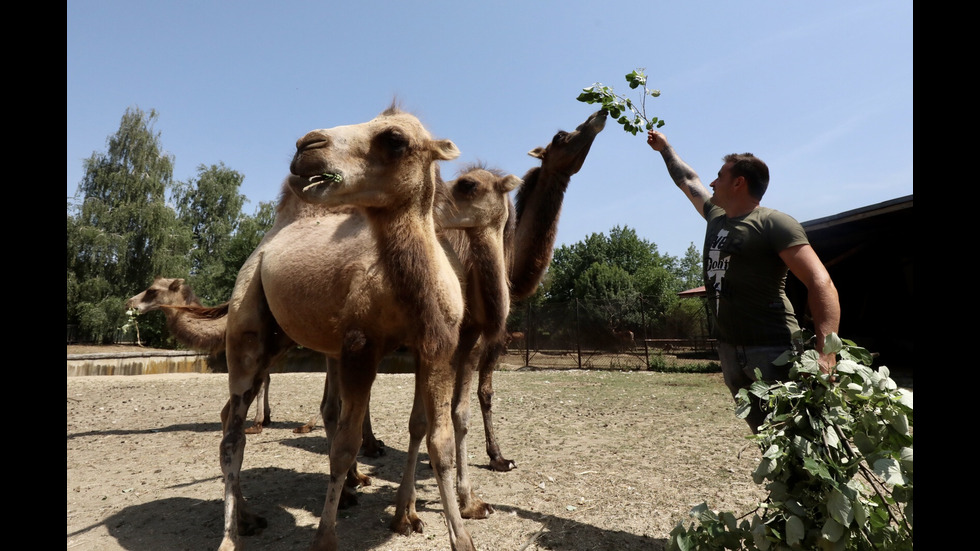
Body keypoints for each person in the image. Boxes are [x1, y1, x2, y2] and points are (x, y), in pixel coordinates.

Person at [647, 129, 840, 433]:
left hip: (774, 350)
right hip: (729, 351)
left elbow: (821, 283)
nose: (711, 183)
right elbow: (688, 180)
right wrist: (665, 148)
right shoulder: (715, 216)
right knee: (767, 441)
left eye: (719, 176)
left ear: (739, 182)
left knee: (800, 441)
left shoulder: (774, 223)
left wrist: (826, 355)